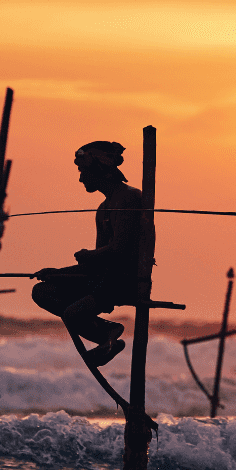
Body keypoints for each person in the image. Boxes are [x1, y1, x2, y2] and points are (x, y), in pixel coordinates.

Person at [32, 141, 147, 367]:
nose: (81, 179)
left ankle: (107, 336)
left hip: (124, 280)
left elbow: (120, 250)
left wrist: (89, 256)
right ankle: (106, 334)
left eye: (82, 171)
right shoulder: (103, 209)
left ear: (98, 169)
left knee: (72, 314)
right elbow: (96, 263)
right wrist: (58, 273)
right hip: (103, 278)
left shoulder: (130, 198)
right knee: (42, 291)